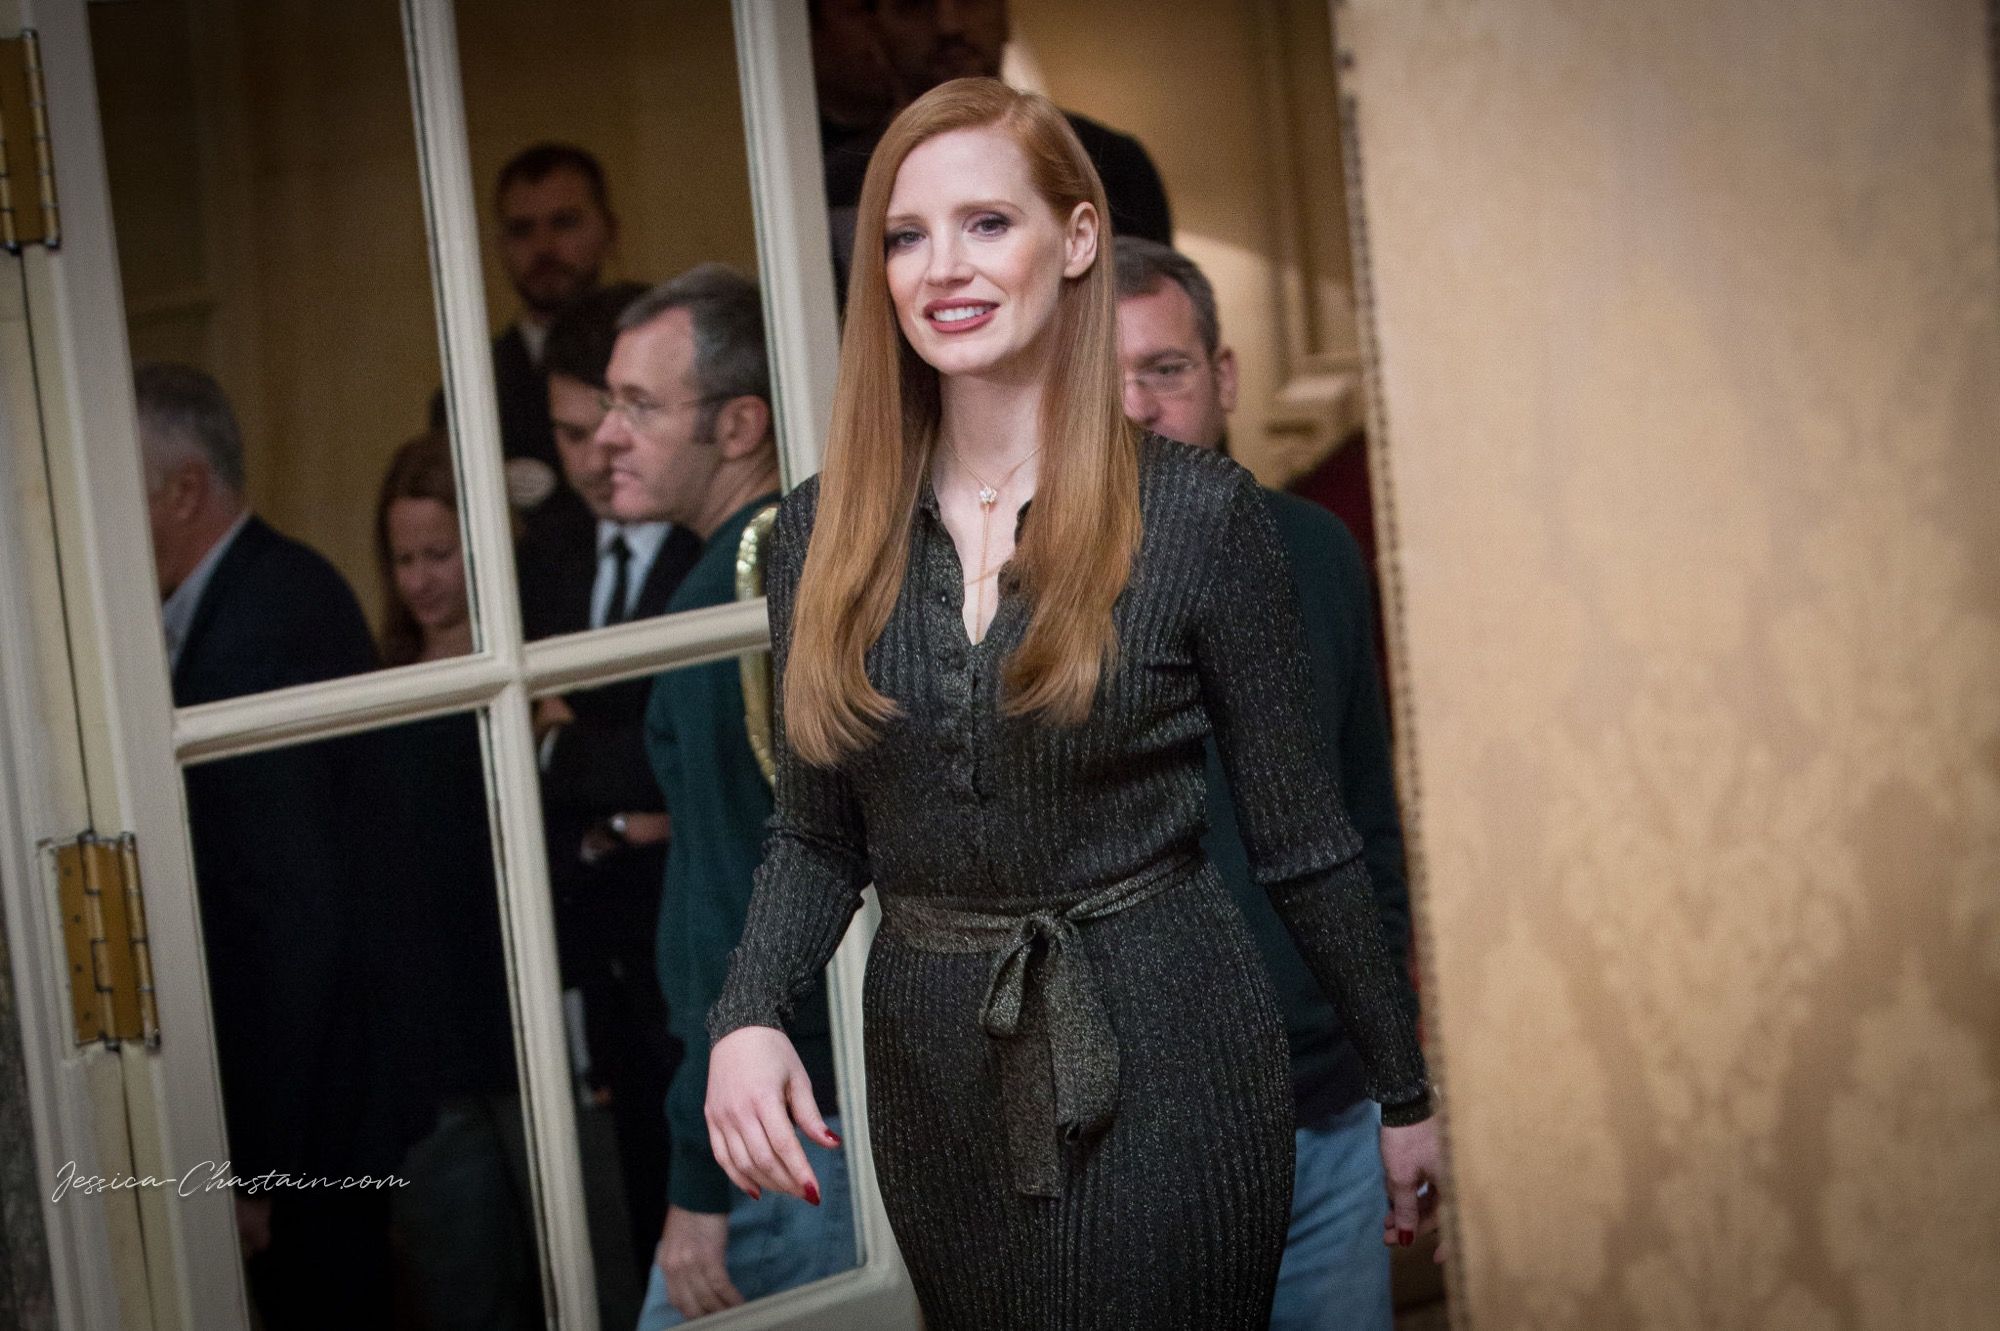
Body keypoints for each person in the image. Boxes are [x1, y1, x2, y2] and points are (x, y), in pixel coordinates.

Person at [703, 79, 1443, 1330]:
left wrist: (1399, 1087)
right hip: (935, 1073)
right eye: (905, 234)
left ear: (1078, 237)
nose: (943, 266)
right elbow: (817, 834)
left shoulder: (1201, 516)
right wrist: (746, 1015)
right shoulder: (818, 532)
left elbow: (1305, 842)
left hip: (1169, 1050)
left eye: (987, 223)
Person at [1115, 237, 1424, 1327]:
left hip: (1326, 1115)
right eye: (1104, 380)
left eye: (1164, 369)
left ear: (1224, 377)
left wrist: (1397, 1080)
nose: (1137, 407)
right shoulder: (1026, 585)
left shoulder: (1317, 550)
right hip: (1133, 1143)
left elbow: (1366, 823)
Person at [592, 266, 854, 1326]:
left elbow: (736, 904)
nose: (605, 436)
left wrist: (699, 1177)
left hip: (778, 1114)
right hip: (817, 1092)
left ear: (741, 424)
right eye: (608, 402)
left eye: (638, 406)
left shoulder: (731, 595)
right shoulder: (786, 560)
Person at [139, 362, 391, 1326]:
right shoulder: (250, 596)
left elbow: (288, 915)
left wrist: (259, 1162)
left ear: (185, 489)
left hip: (318, 1114)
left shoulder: (264, 619)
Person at [519, 280, 700, 1276]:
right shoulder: (544, 547)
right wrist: (616, 810)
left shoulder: (707, 539)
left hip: (698, 945)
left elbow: (684, 754)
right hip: (591, 955)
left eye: (610, 424)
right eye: (566, 432)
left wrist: (563, 748)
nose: (593, 456)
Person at [368, 433, 544, 1330]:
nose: (421, 580)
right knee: (463, 1285)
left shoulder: (531, 670)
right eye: (404, 559)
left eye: (439, 553)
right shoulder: (377, 685)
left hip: (530, 1020)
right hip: (428, 1039)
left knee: (579, 1265)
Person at [820, 0, 1173, 299]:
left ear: (1005, 14)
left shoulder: (1110, 160)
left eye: (973, 0)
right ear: (876, 26)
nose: (949, 24)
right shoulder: (835, 185)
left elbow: (1152, 313)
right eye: (915, 5)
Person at [433, 142, 618, 543]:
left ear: (609, 229)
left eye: (564, 222)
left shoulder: (661, 359)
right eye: (521, 230)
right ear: (499, 245)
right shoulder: (469, 393)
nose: (544, 247)